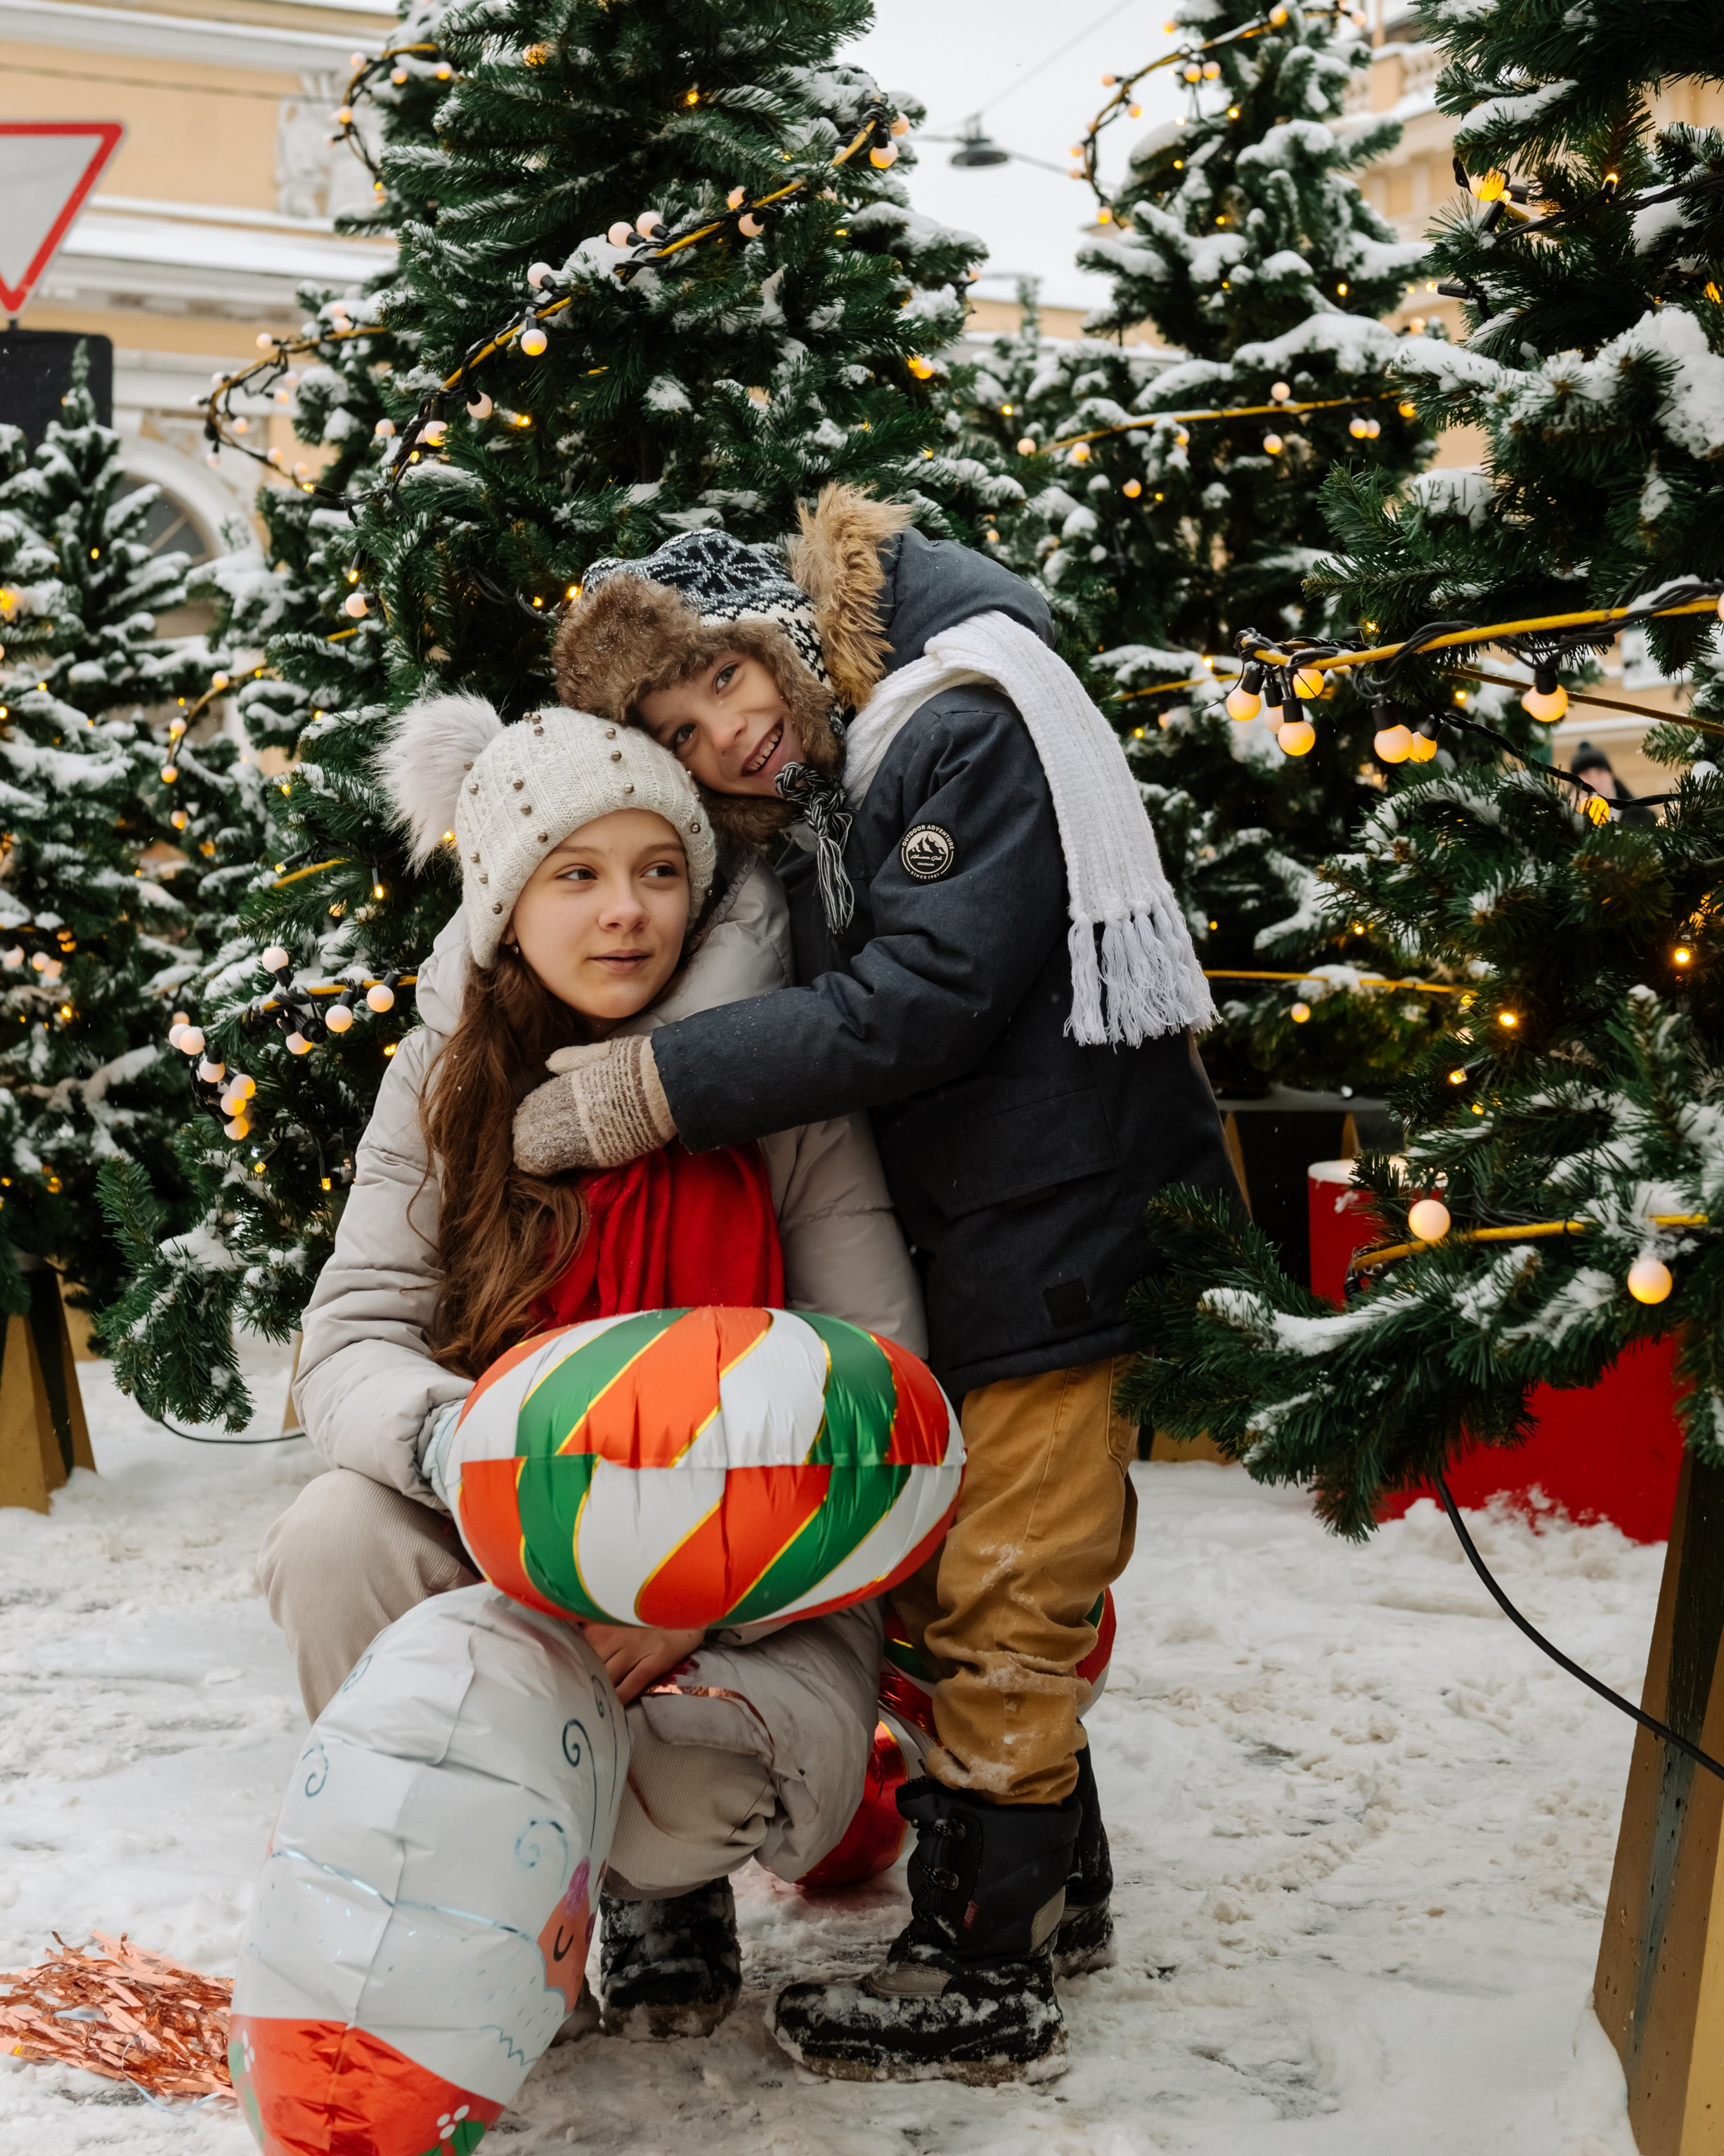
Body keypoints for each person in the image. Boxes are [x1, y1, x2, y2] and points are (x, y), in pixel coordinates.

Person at [524, 484, 1240, 2084]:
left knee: (1004, 1585)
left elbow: (926, 997)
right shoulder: (864, 762)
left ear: (777, 627)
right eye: (680, 724)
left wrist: (656, 1084)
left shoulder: (960, 725)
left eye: (724, 677)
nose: (729, 732)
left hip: (1062, 1219)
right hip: (991, 1225)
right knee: (957, 1577)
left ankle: (979, 1968)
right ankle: (1055, 1896)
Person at [261, 695, 926, 2040]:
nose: (626, 911)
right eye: (577, 872)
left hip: (737, 1591)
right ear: (508, 897)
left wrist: (699, 1587)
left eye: (659, 870)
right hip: (510, 1539)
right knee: (334, 1534)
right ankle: (479, 1906)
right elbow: (348, 1342)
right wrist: (474, 1457)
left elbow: (883, 1383)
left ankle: (664, 1888)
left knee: (679, 1790)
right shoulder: (445, 1078)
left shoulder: (778, 1078)